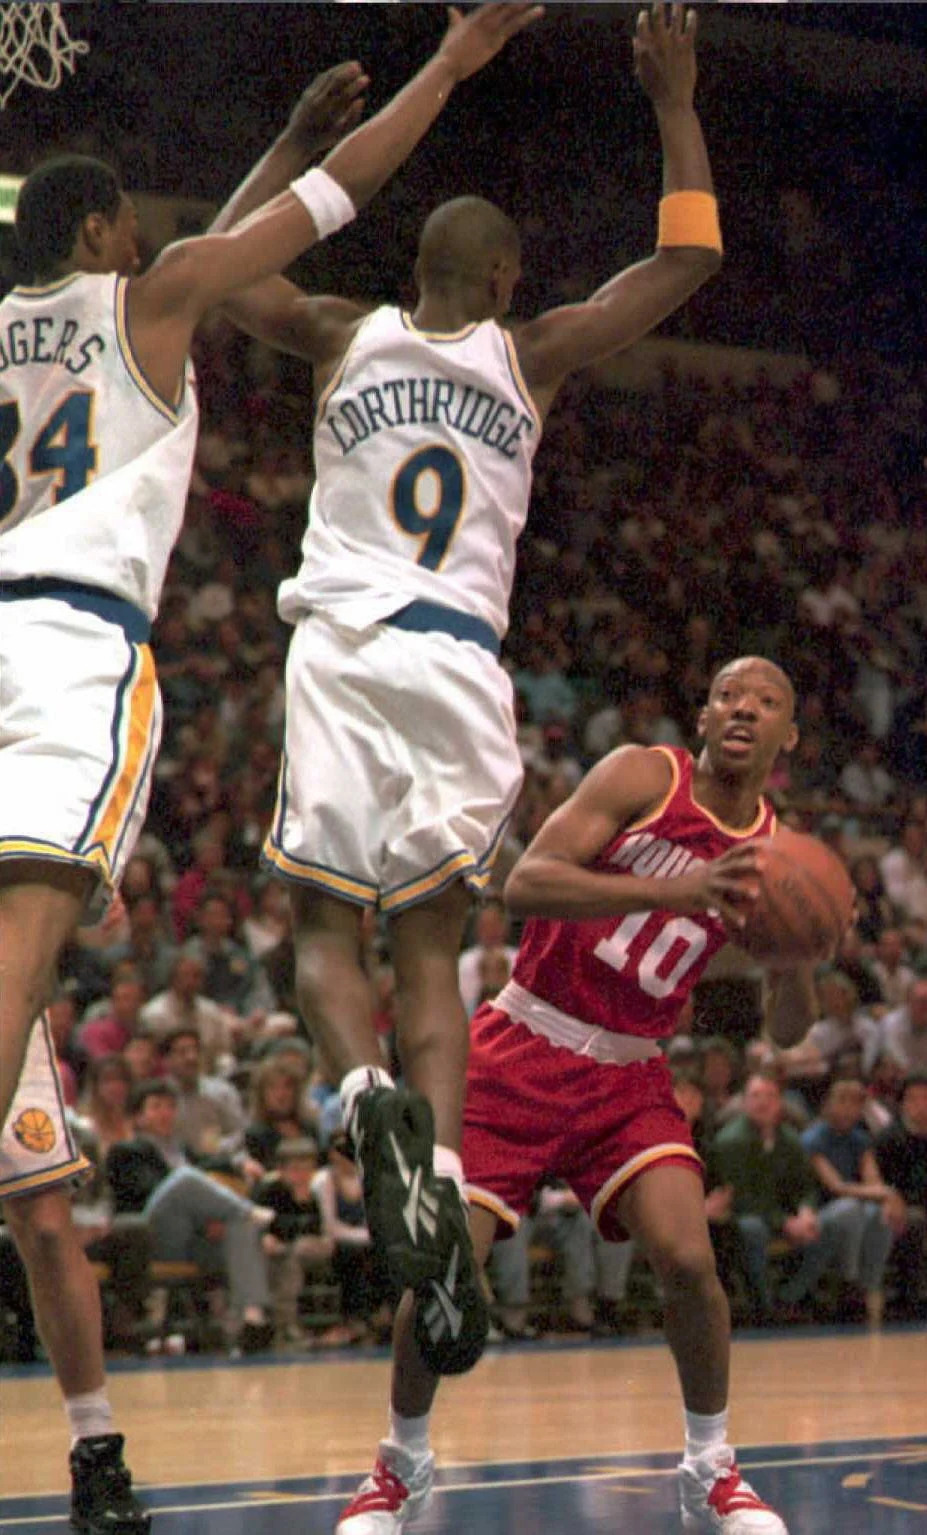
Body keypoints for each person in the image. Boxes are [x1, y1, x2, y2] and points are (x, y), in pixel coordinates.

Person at [0, 33, 530, 1531]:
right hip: (62, 651)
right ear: (108, 236)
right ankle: (391, 1111)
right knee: (22, 952)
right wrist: (450, 62)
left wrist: (276, 143)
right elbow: (333, 206)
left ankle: (98, 1440)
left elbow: (224, 262)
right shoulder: (148, 298)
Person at [210, 0, 723, 1381]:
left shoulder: (335, 326)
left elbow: (216, 274)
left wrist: (292, 146)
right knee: (432, 948)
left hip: (341, 644)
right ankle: (429, 1165)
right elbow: (684, 260)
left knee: (325, 922)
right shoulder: (532, 355)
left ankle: (362, 1092)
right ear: (502, 280)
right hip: (455, 661)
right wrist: (671, 99)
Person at [336, 655, 818, 1534]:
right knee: (449, 1267)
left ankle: (709, 1468)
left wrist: (798, 956)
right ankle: (398, 1467)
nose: (743, 709)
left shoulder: (776, 855)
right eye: (726, 696)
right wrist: (681, 886)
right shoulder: (644, 773)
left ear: (790, 734)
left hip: (628, 1071)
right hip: (521, 1043)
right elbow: (525, 883)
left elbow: (787, 1031)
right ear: (703, 717)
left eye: (766, 702)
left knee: (686, 1258)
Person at [801, 1079, 905, 1328]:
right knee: (851, 1209)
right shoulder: (812, 1139)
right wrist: (886, 1193)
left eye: (855, 1103)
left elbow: (874, 1181)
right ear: (828, 1105)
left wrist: (888, 1197)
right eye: (842, 1101)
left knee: (879, 1213)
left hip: (854, 1206)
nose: (848, 1110)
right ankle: (846, 1281)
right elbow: (836, 1186)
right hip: (820, 1210)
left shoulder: (860, 1139)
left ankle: (867, 1287)